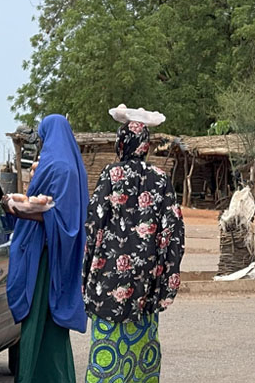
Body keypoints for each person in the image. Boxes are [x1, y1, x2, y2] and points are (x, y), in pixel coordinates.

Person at [81, 104, 186, 383]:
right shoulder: (161, 180)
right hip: (145, 282)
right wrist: (166, 281)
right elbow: (173, 234)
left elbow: (93, 226)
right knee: (143, 350)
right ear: (146, 146)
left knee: (106, 349)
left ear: (122, 143)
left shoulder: (111, 175)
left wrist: (84, 276)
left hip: (108, 280)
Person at [2, 115, 88, 383]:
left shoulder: (61, 168)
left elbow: (65, 220)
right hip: (45, 254)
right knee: (46, 326)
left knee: (40, 322)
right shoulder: (64, 165)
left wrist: (18, 209)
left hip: (45, 260)